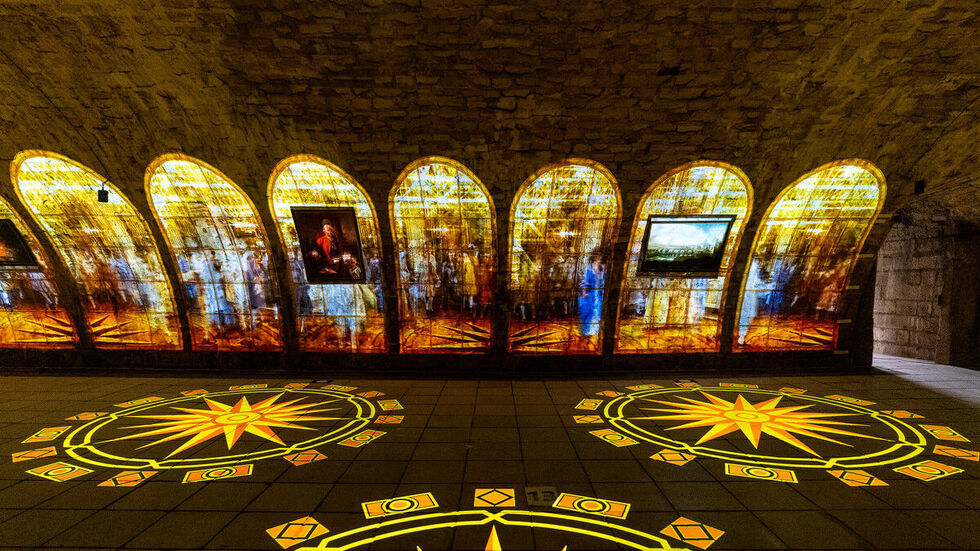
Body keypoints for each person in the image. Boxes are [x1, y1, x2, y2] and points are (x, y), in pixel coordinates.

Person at [578, 257, 605, 341]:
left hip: (598, 294)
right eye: (597, 260)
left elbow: (602, 282)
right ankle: (586, 332)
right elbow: (585, 282)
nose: (598, 262)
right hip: (590, 295)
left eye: (600, 260)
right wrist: (584, 292)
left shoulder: (602, 269)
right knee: (588, 312)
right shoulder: (589, 270)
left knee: (597, 312)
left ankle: (594, 331)